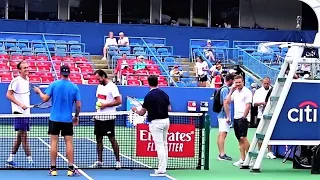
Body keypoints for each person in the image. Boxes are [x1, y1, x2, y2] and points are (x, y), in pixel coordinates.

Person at [33, 65, 81, 176]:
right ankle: (70, 169)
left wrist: (39, 91)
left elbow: (44, 99)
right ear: (69, 73)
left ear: (60, 73)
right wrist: (76, 116)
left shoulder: (54, 84)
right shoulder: (74, 87)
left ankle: (53, 169)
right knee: (69, 143)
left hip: (54, 119)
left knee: (54, 143)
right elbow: (78, 105)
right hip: (67, 120)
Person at [132, 75, 171, 177]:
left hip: (156, 123)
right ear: (157, 82)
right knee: (164, 144)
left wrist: (135, 110)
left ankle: (162, 170)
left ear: (148, 83)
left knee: (160, 146)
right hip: (166, 121)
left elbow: (141, 113)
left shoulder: (148, 96)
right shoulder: (164, 94)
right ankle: (163, 167)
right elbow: (169, 108)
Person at [90, 69, 122, 169]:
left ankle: (118, 162)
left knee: (112, 139)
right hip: (99, 117)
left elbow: (119, 101)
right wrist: (96, 114)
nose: (98, 81)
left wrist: (106, 105)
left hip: (109, 117)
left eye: (99, 79)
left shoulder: (112, 87)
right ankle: (100, 161)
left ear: (103, 76)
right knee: (98, 139)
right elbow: (99, 101)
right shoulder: (99, 86)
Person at [6, 60, 33, 167]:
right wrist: (20, 104)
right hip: (19, 112)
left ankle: (10, 159)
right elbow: (8, 95)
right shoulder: (15, 81)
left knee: (19, 137)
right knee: (24, 136)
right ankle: (30, 160)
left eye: (27, 67)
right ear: (19, 70)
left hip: (26, 113)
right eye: (24, 68)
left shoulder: (27, 80)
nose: (27, 69)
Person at [226, 75, 252, 166]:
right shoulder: (235, 92)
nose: (237, 84)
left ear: (243, 82)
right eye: (236, 82)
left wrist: (244, 117)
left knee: (243, 137)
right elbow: (228, 102)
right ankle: (242, 159)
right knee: (239, 139)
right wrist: (231, 91)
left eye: (239, 82)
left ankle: (250, 158)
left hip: (243, 118)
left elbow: (248, 106)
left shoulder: (247, 92)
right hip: (236, 118)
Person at [252, 77, 276, 159]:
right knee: (260, 133)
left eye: (267, 83)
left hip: (270, 114)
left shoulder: (274, 91)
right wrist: (262, 103)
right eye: (265, 83)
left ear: (270, 82)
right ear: (262, 83)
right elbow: (254, 104)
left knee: (270, 133)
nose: (266, 84)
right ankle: (259, 150)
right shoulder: (258, 92)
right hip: (261, 115)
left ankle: (269, 152)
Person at [216, 74, 234, 161]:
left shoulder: (222, 88)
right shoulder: (225, 89)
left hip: (220, 114)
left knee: (220, 134)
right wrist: (228, 116)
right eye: (233, 80)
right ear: (230, 80)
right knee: (223, 134)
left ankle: (220, 153)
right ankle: (222, 154)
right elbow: (225, 103)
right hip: (223, 115)